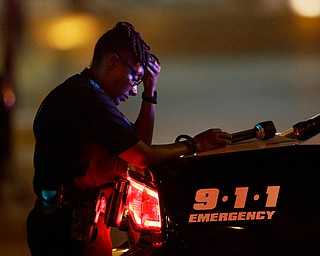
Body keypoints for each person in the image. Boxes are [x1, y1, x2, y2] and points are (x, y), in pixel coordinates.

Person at [26, 21, 232, 256]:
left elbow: (135, 143)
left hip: (70, 227)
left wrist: (149, 91)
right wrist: (194, 144)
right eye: (134, 77)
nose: (134, 89)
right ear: (112, 62)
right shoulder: (86, 100)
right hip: (69, 235)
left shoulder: (87, 94)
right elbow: (143, 156)